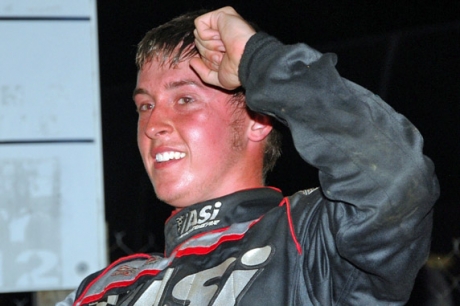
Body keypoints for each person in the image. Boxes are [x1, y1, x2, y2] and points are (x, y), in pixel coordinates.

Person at [58, 6, 439, 306]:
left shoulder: (311, 240)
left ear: (258, 121)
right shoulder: (103, 288)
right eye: (145, 106)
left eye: (185, 99)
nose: (153, 124)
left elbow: (396, 177)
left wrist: (257, 61)